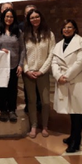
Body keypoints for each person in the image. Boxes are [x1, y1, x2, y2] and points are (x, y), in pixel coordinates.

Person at [52, 19, 82, 153]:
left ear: (75, 29)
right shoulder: (58, 44)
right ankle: (72, 135)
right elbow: (54, 62)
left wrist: (66, 76)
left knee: (77, 111)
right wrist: (58, 76)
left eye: (69, 27)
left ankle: (76, 141)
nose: (66, 29)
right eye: (64, 28)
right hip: (62, 79)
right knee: (70, 110)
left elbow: (81, 62)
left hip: (76, 79)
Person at [23, 9, 55, 138]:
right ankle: (34, 126)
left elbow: (51, 53)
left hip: (43, 72)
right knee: (31, 100)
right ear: (29, 20)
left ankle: (45, 126)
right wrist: (26, 70)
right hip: (29, 73)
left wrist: (42, 70)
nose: (34, 19)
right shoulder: (25, 34)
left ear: (41, 18)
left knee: (45, 101)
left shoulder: (49, 34)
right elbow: (23, 54)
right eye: (32, 18)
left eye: (37, 17)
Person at [0, 9, 25, 122]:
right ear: (3, 18)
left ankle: (12, 110)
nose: (8, 19)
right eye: (6, 16)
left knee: (12, 88)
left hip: (13, 64)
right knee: (1, 88)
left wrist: (21, 64)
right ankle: (3, 110)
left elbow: (22, 49)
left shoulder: (18, 32)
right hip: (0, 65)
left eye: (11, 17)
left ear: (14, 18)